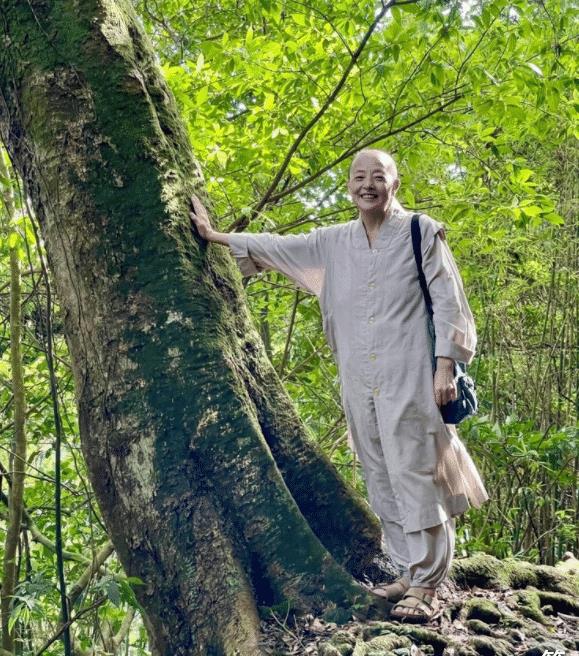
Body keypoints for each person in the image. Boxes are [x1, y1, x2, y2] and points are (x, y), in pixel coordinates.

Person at [189, 149, 489, 623]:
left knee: (414, 469)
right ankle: (407, 571)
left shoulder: (420, 231)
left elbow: (450, 300)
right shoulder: (334, 241)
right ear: (348, 185)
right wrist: (215, 235)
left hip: (412, 375)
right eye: (359, 177)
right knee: (378, 470)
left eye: (378, 176)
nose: (367, 184)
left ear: (395, 182)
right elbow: (278, 246)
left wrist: (445, 367)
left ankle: (428, 582)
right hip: (359, 378)